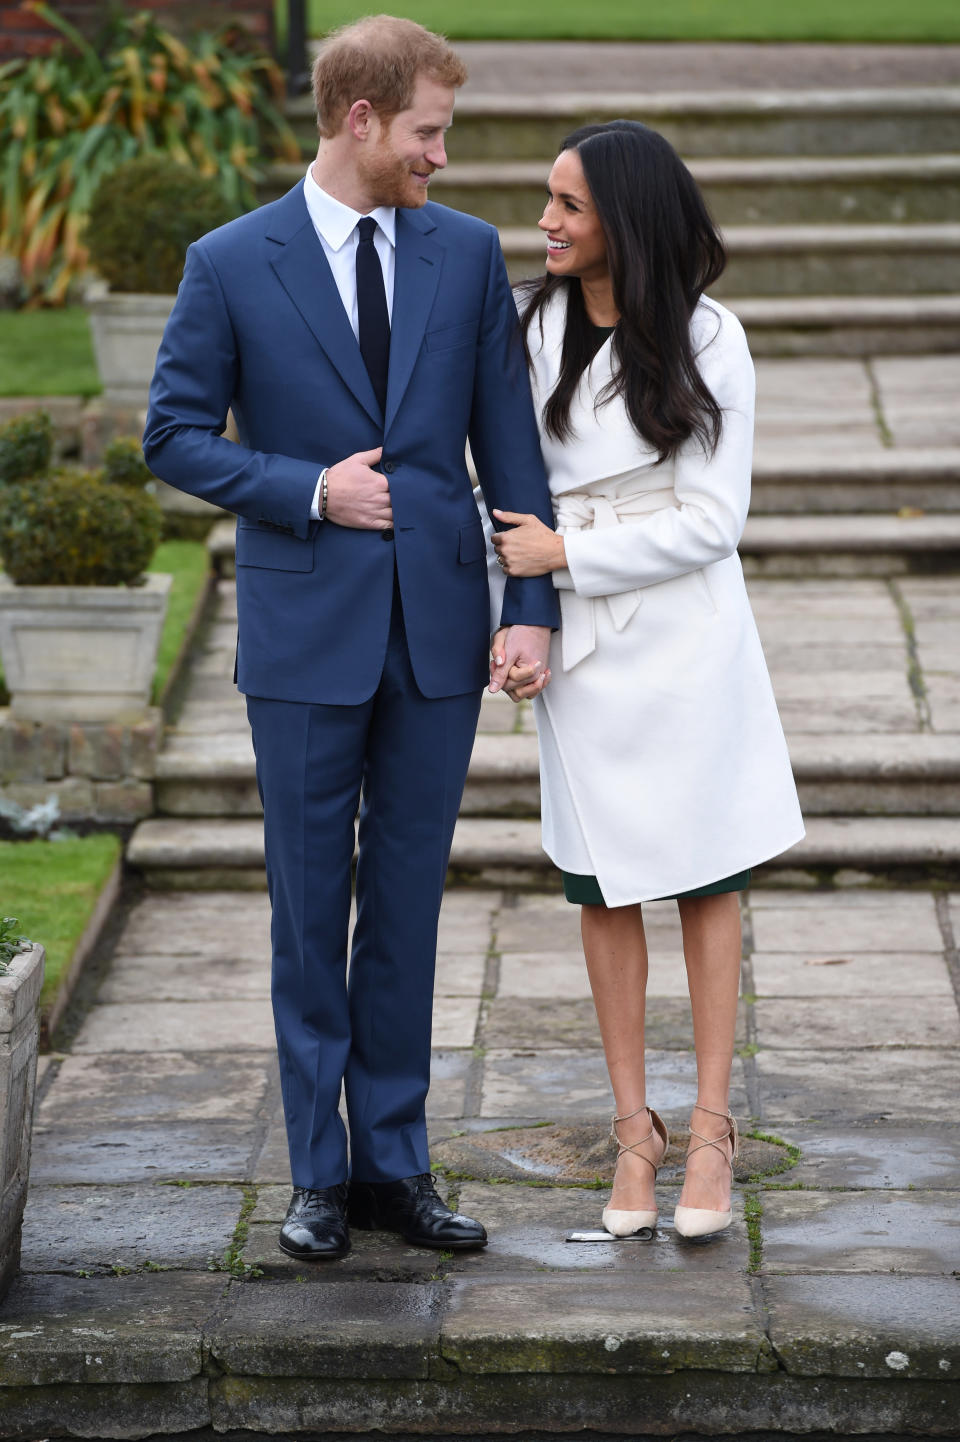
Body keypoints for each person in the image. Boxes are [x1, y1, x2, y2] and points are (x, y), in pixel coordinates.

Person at [143, 15, 558, 1262]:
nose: (442, 154)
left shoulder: (468, 254)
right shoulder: (229, 260)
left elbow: (511, 444)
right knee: (307, 905)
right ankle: (316, 1173)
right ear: (362, 119)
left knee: (409, 909)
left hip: (438, 632)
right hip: (305, 632)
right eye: (429, 131)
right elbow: (172, 435)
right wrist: (310, 489)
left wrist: (530, 604)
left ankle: (395, 1165)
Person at [487, 121, 804, 1239]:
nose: (547, 223)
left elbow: (716, 520)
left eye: (569, 204)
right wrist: (517, 615)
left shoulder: (711, 336)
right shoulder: (527, 326)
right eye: (547, 199)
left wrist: (569, 554)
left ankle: (712, 1126)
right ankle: (636, 1128)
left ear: (628, 215)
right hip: (581, 653)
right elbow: (505, 490)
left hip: (687, 640)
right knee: (602, 883)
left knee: (707, 878)